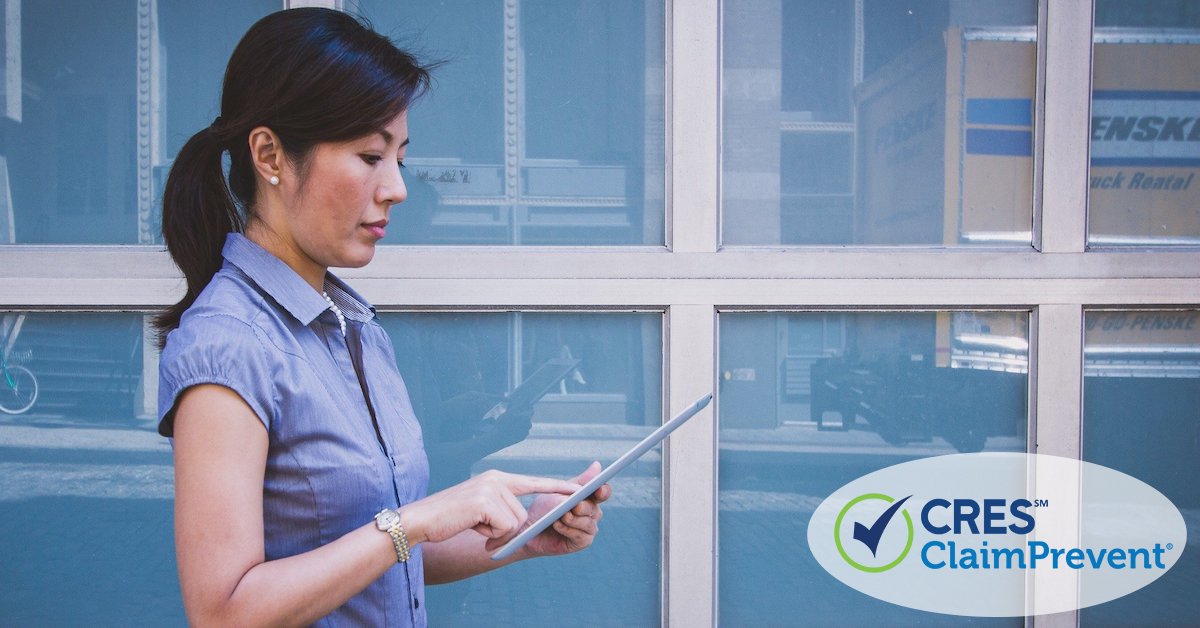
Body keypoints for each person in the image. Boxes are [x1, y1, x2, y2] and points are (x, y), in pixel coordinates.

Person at [153, 9, 609, 627]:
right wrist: (415, 520)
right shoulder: (228, 344)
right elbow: (224, 613)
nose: (397, 186)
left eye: (399, 156)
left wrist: (525, 534)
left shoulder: (352, 324)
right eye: (370, 155)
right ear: (270, 155)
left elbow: (377, 556)